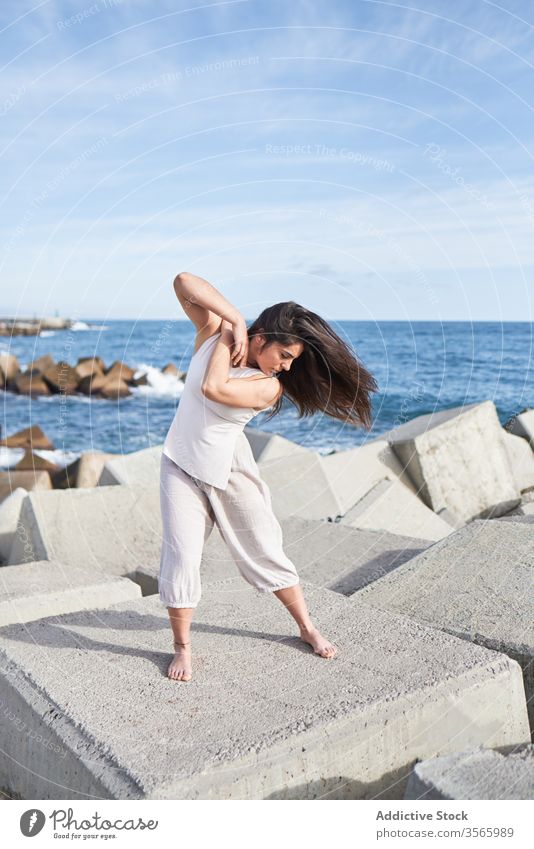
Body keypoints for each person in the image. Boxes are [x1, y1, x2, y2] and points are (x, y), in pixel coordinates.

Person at [159, 271, 379, 681]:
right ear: (261, 339)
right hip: (180, 464)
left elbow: (212, 387)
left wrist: (229, 334)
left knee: (265, 549)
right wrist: (233, 320)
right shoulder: (213, 331)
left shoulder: (267, 387)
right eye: (285, 355)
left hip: (230, 470)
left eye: (291, 362)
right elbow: (183, 281)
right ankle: (182, 648)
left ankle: (306, 627)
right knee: (182, 556)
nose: (286, 366)